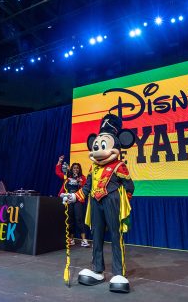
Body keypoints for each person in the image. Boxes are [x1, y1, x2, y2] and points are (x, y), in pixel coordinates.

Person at [61, 114, 136, 293]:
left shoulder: (119, 166)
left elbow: (129, 186)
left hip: (112, 202)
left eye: (104, 144)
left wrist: (122, 201)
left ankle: (118, 272)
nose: (98, 149)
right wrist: (72, 197)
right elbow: (86, 188)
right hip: (95, 204)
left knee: (116, 238)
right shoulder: (93, 168)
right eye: (97, 145)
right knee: (97, 237)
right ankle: (97, 269)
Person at [55, 155, 90, 247]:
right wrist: (60, 161)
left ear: (79, 169)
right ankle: (71, 239)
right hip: (68, 200)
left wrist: (80, 182)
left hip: (78, 200)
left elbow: (86, 188)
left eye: (77, 168)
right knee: (70, 220)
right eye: (74, 168)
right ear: (71, 169)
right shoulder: (67, 176)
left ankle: (84, 240)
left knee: (79, 219)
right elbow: (58, 172)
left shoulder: (83, 178)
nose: (76, 169)